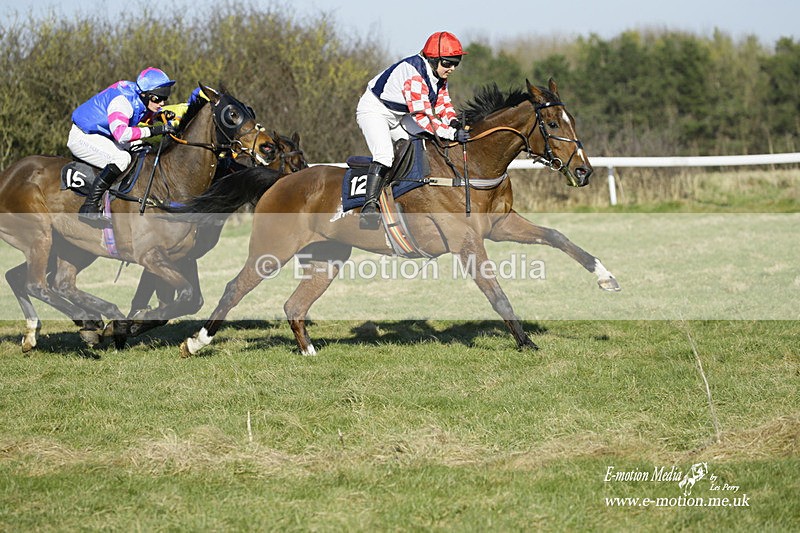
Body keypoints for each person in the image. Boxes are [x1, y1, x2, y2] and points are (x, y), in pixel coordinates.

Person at [355, 31, 470, 229]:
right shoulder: (414, 75)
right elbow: (423, 118)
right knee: (384, 156)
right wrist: (451, 134)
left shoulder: (438, 75)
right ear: (433, 60)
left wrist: (453, 122)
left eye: (455, 63)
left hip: (399, 114)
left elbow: (443, 103)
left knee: (422, 142)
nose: (451, 68)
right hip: (374, 110)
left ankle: (404, 192)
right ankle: (369, 207)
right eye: (447, 63)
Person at [68, 67, 178, 227]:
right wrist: (155, 130)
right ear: (146, 94)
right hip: (83, 136)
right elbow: (121, 134)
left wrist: (158, 117)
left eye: (164, 98)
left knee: (141, 147)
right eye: (158, 99)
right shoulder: (122, 102)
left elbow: (139, 117)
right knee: (122, 158)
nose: (162, 103)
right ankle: (89, 206)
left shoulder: (140, 97)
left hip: (103, 134)